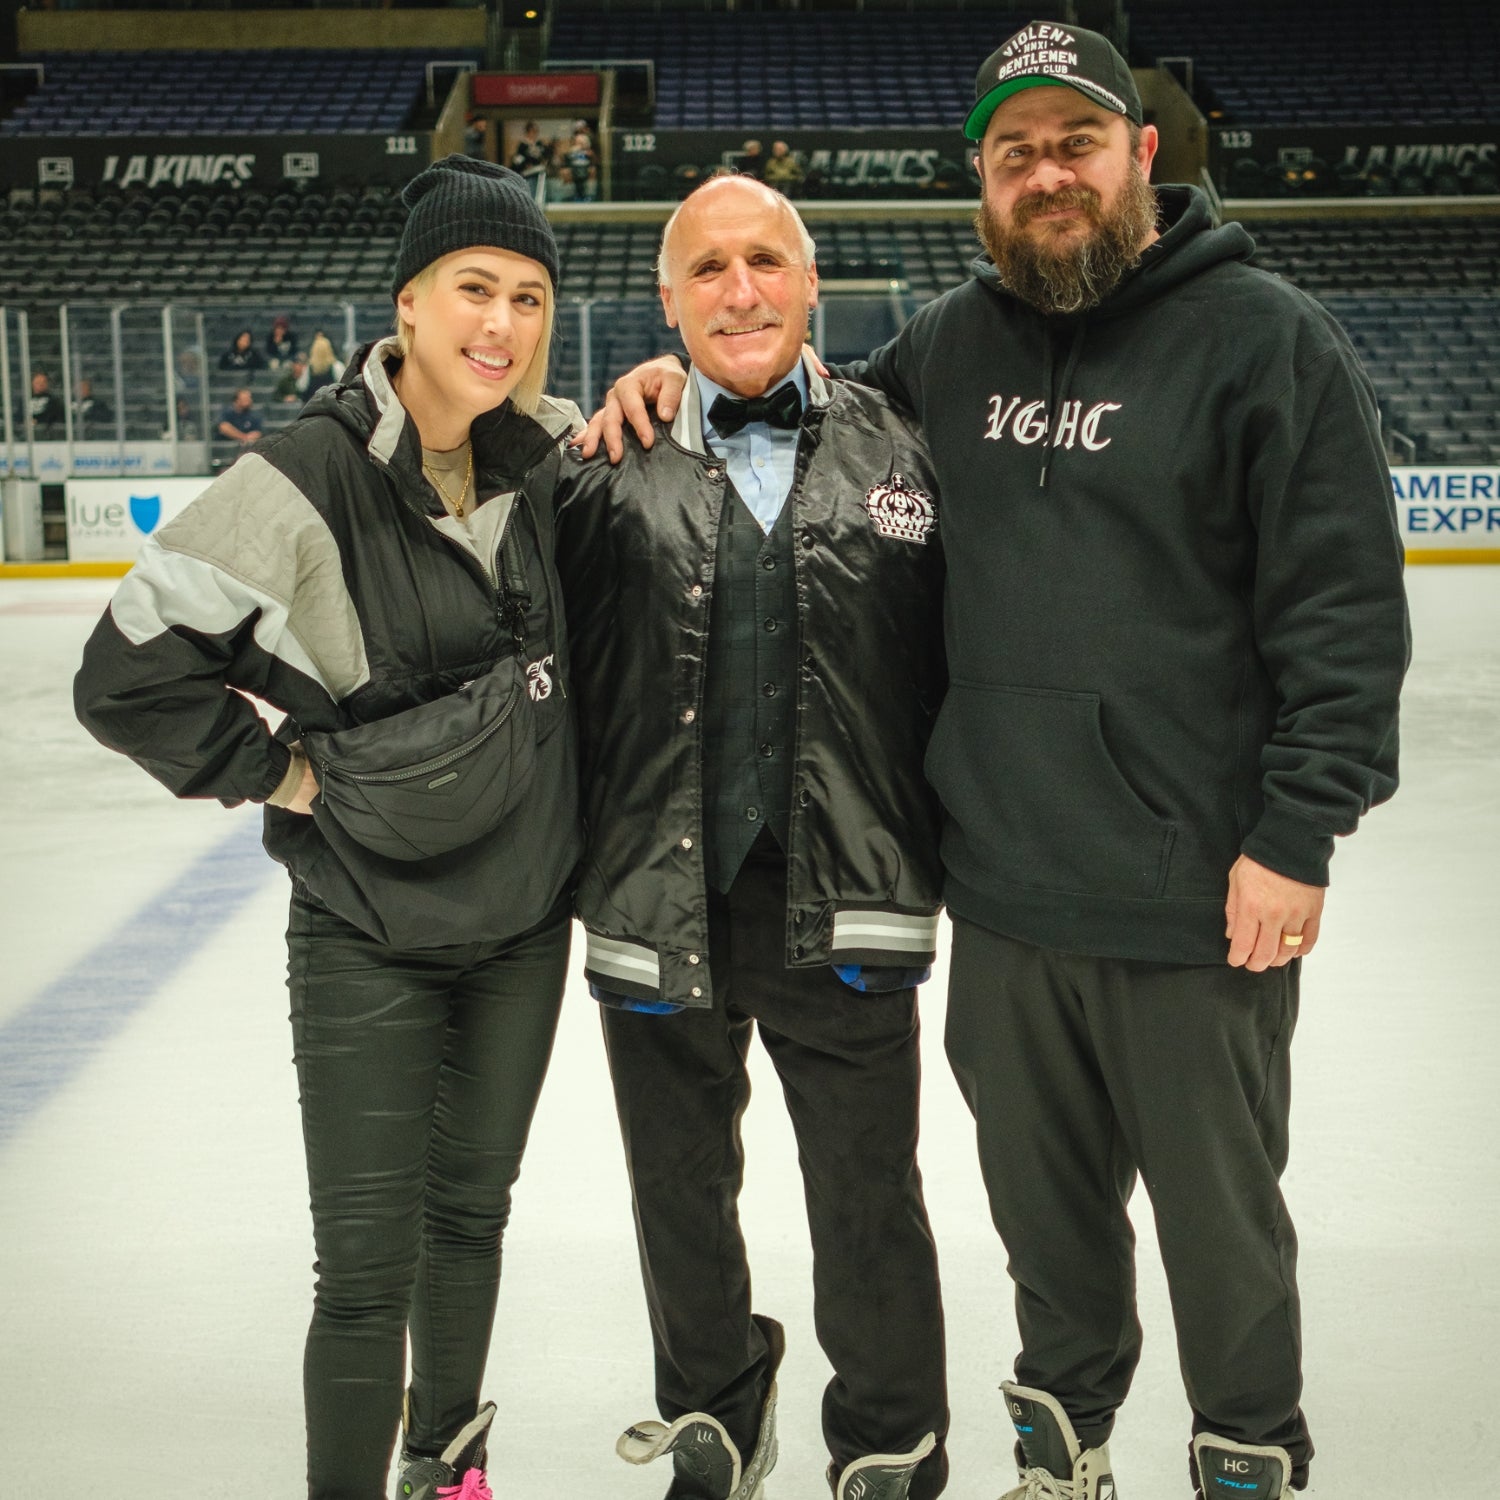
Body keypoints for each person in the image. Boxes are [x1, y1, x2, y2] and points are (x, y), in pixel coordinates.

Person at [582, 23, 1410, 1500]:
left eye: (1075, 144)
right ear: (981, 174)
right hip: (1009, 901)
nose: (1047, 176)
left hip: (1197, 897)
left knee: (1220, 1224)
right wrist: (662, 379)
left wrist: (1298, 835)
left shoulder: (1265, 339)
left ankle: (1244, 1454)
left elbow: (1346, 615)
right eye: (1014, 153)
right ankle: (1064, 1441)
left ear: (1142, 154)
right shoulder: (950, 349)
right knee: (1048, 1222)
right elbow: (780, 392)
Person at [74, 155, 582, 1500]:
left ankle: (450, 1468)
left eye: (531, 297)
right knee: (363, 1274)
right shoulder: (298, 479)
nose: (504, 325)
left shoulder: (553, 466)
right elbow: (125, 674)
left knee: (472, 1221)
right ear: (407, 307)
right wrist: (288, 777)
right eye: (475, 288)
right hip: (367, 934)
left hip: (524, 928)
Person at [553, 174, 950, 1500]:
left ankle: (890, 1438)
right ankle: (714, 1412)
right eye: (710, 267)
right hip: (658, 896)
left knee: (867, 1199)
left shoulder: (908, 447)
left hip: (852, 891)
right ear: (667, 301)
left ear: (810, 283)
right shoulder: (601, 464)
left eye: (767, 260)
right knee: (678, 1192)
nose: (741, 289)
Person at [304, 332, 344, 398]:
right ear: (329, 349)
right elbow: (344, 385)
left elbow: (301, 387)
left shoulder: (308, 368)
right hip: (332, 405)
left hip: (313, 405)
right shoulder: (337, 366)